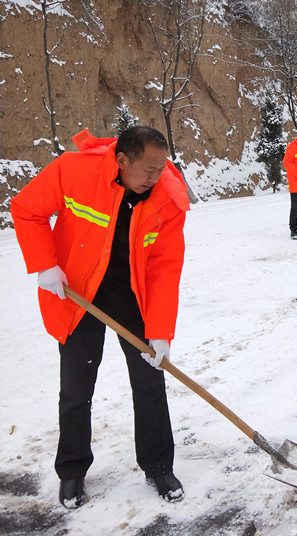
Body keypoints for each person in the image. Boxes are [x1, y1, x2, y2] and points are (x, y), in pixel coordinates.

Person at [10, 126, 190, 508]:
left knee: (149, 382)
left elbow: (164, 268)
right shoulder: (74, 170)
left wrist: (160, 332)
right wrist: (45, 264)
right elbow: (26, 210)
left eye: (161, 168)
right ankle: (72, 471)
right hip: (79, 292)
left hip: (132, 297)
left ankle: (158, 464)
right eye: (148, 170)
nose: (155, 178)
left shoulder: (167, 198)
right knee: (76, 389)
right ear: (121, 161)